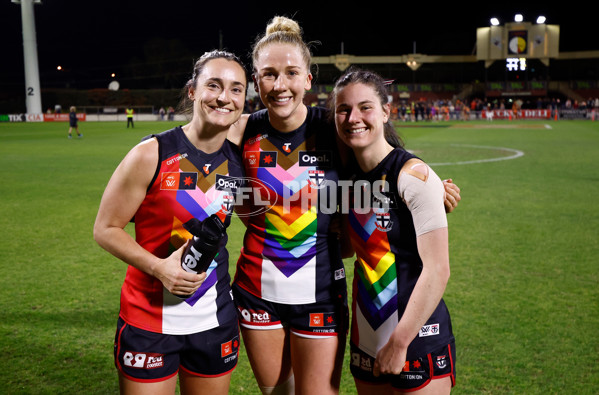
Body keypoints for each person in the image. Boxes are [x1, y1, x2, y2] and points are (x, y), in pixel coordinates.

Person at [226, 16, 460, 395]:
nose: (280, 84)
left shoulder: (334, 132)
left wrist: (430, 191)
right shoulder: (241, 131)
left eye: (291, 73)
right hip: (256, 290)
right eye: (269, 74)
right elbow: (200, 159)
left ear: (308, 78)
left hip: (320, 289)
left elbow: (383, 165)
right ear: (256, 82)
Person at [93, 50, 247, 395]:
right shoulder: (152, 152)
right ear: (192, 91)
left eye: (236, 89)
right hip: (149, 318)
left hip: (215, 318)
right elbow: (105, 228)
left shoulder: (239, 161)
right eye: (214, 85)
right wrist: (159, 268)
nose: (225, 97)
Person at [329, 68, 456, 394]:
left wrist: (400, 342)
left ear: (386, 111)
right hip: (366, 333)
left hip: (415, 336)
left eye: (365, 107)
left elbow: (438, 270)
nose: (353, 117)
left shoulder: (413, 175)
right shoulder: (347, 178)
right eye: (344, 109)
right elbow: (348, 249)